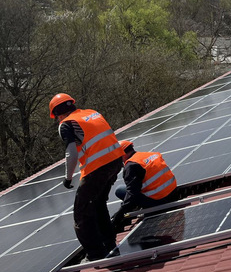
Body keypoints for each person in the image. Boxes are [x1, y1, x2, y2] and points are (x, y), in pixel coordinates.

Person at [49, 93, 123, 261]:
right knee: (98, 204)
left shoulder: (66, 124)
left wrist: (68, 178)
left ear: (58, 114)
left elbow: (71, 153)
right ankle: (110, 246)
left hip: (97, 168)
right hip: (116, 161)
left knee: (81, 215)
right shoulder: (91, 113)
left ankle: (96, 255)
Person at [112, 140, 178, 228]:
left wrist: (118, 217)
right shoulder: (150, 155)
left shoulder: (131, 166)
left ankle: (138, 208)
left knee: (120, 190)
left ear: (123, 154)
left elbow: (132, 195)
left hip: (158, 201)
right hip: (173, 193)